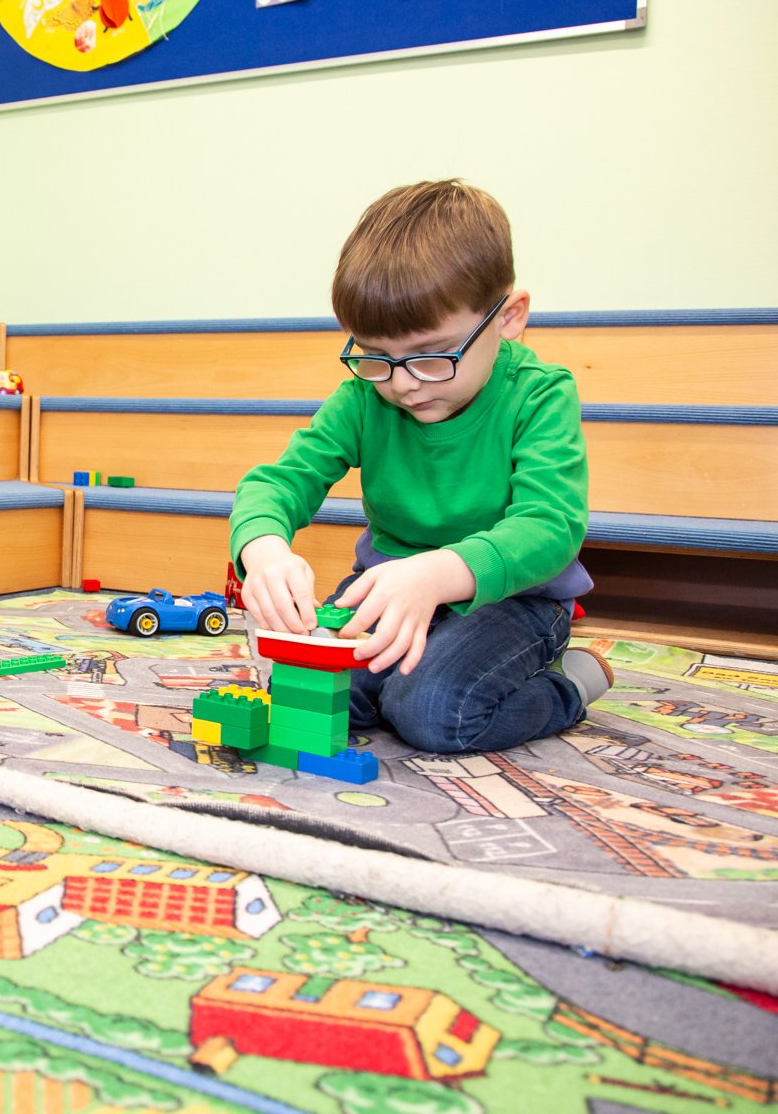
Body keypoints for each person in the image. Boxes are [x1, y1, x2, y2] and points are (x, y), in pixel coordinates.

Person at [231, 179, 612, 754]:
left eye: (432, 356)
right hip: (389, 592)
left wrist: (438, 574)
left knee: (435, 713)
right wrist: (263, 550)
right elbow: (278, 482)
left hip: (511, 600)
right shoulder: (365, 397)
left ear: (508, 317)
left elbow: (550, 527)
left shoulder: (539, 395)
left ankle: (573, 682)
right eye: (377, 356)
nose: (404, 383)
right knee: (307, 688)